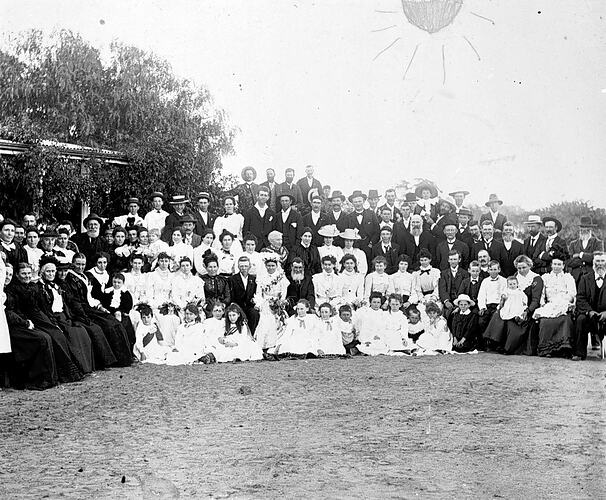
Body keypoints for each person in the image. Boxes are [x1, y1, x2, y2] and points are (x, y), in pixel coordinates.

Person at [7, 262, 83, 382]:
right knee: (47, 337)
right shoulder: (13, 289)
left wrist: (52, 321)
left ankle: (65, 373)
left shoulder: (34, 286)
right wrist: (26, 321)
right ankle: (48, 377)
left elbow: (44, 306)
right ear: (17, 275)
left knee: (57, 334)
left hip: (40, 316)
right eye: (23, 274)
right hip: (27, 318)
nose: (27, 276)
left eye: (29, 273)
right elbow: (15, 310)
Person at [65, 253, 133, 366]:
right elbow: (74, 301)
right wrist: (85, 313)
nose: (80, 267)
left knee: (113, 321)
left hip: (90, 306)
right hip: (80, 310)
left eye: (83, 264)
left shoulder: (84, 276)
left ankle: (123, 358)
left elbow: (89, 297)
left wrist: (100, 306)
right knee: (107, 325)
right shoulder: (70, 278)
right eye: (78, 264)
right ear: (73, 264)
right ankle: (111, 360)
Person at [3, 262, 58, 390]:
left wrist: (25, 320)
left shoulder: (10, 289)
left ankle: (49, 379)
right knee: (41, 339)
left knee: (46, 336)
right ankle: (37, 379)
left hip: (18, 323)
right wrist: (25, 322)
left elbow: (18, 310)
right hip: (8, 328)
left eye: (10, 274)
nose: (8, 277)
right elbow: (8, 313)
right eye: (6, 274)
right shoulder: (6, 291)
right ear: (18, 275)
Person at [38, 256, 94, 374]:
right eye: (48, 271)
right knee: (71, 334)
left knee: (81, 331)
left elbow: (64, 305)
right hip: (54, 318)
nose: (51, 274)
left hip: (64, 316)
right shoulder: (41, 288)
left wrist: (69, 317)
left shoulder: (56, 286)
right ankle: (76, 368)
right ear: (42, 273)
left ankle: (85, 367)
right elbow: (45, 308)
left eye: (53, 271)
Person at [483, 255, 544, 355]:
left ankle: (508, 347)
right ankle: (495, 343)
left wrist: (527, 311)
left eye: (524, 267)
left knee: (514, 323)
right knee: (498, 315)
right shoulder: (515, 277)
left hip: (527, 308)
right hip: (511, 305)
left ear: (529, 266)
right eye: (519, 268)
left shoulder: (536, 279)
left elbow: (535, 300)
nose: (521, 270)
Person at [532, 254, 576, 357]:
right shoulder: (545, 277)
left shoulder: (568, 277)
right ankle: (547, 349)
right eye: (555, 264)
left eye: (559, 264)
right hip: (549, 305)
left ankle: (563, 349)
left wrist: (563, 302)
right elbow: (541, 295)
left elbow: (572, 294)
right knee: (545, 322)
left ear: (563, 266)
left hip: (563, 304)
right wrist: (543, 304)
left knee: (565, 320)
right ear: (551, 265)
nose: (556, 267)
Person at [572, 252, 606, 361]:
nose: (600, 264)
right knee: (580, 320)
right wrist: (589, 311)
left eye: (602, 261)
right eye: (597, 261)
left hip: (605, 314)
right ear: (593, 263)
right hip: (589, 314)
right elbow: (580, 298)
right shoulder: (585, 278)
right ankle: (579, 353)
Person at [253, 254, 289, 352]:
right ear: (265, 266)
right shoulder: (261, 277)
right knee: (265, 319)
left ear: (276, 266)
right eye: (268, 265)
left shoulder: (281, 277)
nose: (271, 268)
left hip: (277, 303)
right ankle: (264, 345)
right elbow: (258, 293)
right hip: (265, 302)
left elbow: (284, 292)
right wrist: (259, 304)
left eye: (273, 265)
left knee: (279, 320)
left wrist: (280, 303)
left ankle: (275, 345)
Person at [346, 190, 380, 265]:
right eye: (355, 202)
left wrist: (371, 244)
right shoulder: (349, 217)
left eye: (359, 201)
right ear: (352, 203)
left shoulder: (371, 214)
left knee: (369, 265)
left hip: (369, 246)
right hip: (355, 247)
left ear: (364, 201)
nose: (358, 204)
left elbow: (377, 231)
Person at [567, 216, 604, 285]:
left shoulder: (597, 243)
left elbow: (597, 259)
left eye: (586, 227)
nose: (584, 229)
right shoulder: (573, 244)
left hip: (592, 277)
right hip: (576, 277)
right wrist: (586, 261)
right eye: (582, 227)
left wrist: (580, 255)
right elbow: (569, 261)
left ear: (591, 229)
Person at [476, 260, 507, 338]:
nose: (493, 271)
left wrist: (500, 306)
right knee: (481, 322)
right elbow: (481, 296)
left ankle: (494, 341)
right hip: (488, 306)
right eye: (491, 269)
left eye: (495, 269)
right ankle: (485, 340)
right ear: (488, 270)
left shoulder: (504, 281)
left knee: (495, 321)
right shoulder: (485, 281)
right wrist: (482, 307)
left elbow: (505, 295)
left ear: (499, 270)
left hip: (499, 306)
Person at [229, 256, 259, 333]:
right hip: (238, 305)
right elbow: (231, 295)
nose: (244, 268)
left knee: (254, 313)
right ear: (238, 267)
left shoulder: (253, 279)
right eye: (241, 266)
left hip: (249, 306)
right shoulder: (232, 279)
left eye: (246, 266)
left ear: (249, 267)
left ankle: (252, 334)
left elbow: (256, 293)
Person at [438, 250, 470, 319]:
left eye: (455, 259)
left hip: (461, 301)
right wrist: (446, 301)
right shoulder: (443, 273)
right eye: (451, 259)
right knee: (446, 314)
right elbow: (442, 289)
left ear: (459, 260)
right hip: (448, 301)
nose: (453, 261)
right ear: (448, 260)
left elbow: (466, 290)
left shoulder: (465, 274)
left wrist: (460, 302)